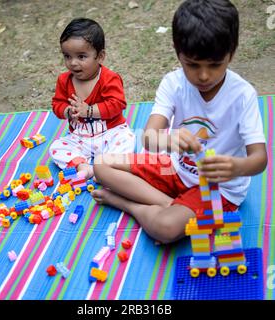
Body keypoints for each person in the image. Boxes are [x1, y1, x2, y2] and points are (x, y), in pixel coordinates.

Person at [91, 0, 268, 244]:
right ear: (178, 52)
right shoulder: (173, 84)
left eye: (215, 65)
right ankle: (167, 203)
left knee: (165, 228)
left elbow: (259, 159)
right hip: (174, 168)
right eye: (192, 65)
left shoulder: (242, 94)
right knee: (101, 164)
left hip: (217, 189)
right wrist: (167, 139)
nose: (204, 75)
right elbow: (148, 138)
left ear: (232, 53)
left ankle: (125, 203)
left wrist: (235, 167)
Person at [49, 18, 135, 179]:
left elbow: (117, 104)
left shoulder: (109, 78)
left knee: (127, 140)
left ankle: (106, 168)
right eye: (67, 56)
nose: (73, 63)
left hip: (110, 132)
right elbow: (57, 104)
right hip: (80, 137)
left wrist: (88, 110)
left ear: (100, 56)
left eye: (81, 57)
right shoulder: (64, 80)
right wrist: (67, 111)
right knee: (56, 147)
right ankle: (84, 166)